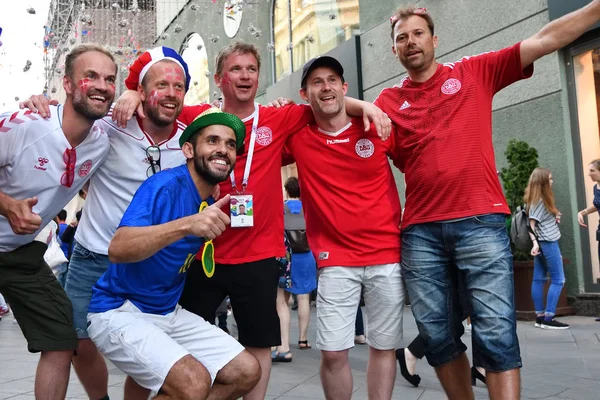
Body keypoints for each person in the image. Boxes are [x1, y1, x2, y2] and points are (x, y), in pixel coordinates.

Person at [103, 41, 389, 400]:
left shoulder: (278, 117)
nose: (244, 76)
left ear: (258, 77)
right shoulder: (198, 115)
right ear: (219, 78)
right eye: (235, 69)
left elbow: (324, 102)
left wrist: (364, 106)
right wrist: (130, 92)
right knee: (171, 342)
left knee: (257, 345)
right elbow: (160, 101)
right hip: (202, 255)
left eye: (251, 69)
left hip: (259, 255)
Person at [373, 4, 600, 399]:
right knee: (437, 336)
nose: (410, 42)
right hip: (420, 233)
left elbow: (545, 40)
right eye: (401, 38)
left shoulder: (472, 71)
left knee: (495, 333)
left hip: (480, 224)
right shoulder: (388, 103)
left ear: (434, 39)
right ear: (394, 51)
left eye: (417, 33)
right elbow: (345, 137)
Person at [20, 46, 198, 400]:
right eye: (161, 85)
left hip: (152, 262)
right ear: (143, 91)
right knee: (79, 344)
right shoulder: (109, 125)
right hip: (95, 256)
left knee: (148, 354)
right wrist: (37, 106)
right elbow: (69, 115)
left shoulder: (191, 140)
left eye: (178, 87)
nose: (171, 93)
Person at [88, 107, 260, 399]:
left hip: (168, 313)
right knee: (194, 383)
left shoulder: (208, 198)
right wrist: (186, 225)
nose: (223, 150)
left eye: (231, 145)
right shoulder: (164, 185)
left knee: (246, 371)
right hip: (119, 310)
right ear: (189, 149)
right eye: (213, 141)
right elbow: (118, 248)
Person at [0, 44, 115, 400]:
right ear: (67, 83)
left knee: (62, 337)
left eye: (110, 79)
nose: (102, 85)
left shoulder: (101, 142)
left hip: (19, 254)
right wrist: (6, 205)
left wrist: (135, 100)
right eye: (90, 76)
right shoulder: (24, 125)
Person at [285, 56, 404, 400]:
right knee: (334, 352)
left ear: (344, 87)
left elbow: (417, 160)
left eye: (332, 79)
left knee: (383, 346)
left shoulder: (376, 126)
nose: (326, 87)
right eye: (317, 82)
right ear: (305, 94)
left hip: (386, 254)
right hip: (335, 259)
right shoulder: (299, 139)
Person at [272, 176, 317, 362]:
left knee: (283, 299)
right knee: (304, 296)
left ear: (287, 190)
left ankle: (283, 341)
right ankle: (303, 339)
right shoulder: (308, 208)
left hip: (287, 256)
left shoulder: (281, 208)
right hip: (307, 255)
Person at [524, 168, 569, 329]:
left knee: (539, 278)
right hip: (547, 243)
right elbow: (531, 224)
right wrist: (535, 243)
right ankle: (549, 318)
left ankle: (540, 316)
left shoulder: (535, 199)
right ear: (542, 182)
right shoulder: (540, 200)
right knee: (558, 279)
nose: (552, 181)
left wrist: (554, 217)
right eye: (549, 179)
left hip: (543, 242)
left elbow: (538, 221)